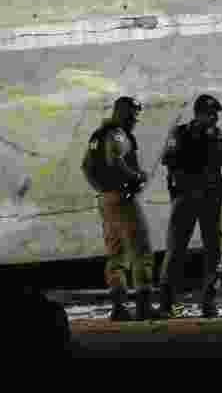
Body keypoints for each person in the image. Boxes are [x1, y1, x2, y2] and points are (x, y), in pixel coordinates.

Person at [81, 96, 161, 321]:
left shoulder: (98, 135)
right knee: (141, 251)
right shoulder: (117, 134)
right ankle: (144, 306)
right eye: (133, 115)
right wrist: (136, 177)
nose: (136, 120)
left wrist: (102, 189)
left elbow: (86, 167)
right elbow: (115, 160)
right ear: (123, 113)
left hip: (105, 199)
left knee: (115, 255)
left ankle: (119, 308)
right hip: (124, 198)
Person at [158, 94, 222, 318]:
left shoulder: (219, 136)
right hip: (186, 199)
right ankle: (167, 303)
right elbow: (169, 162)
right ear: (200, 113)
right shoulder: (180, 133)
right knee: (175, 249)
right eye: (212, 114)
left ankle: (209, 302)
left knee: (214, 250)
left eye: (216, 115)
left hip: (211, 200)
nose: (215, 119)